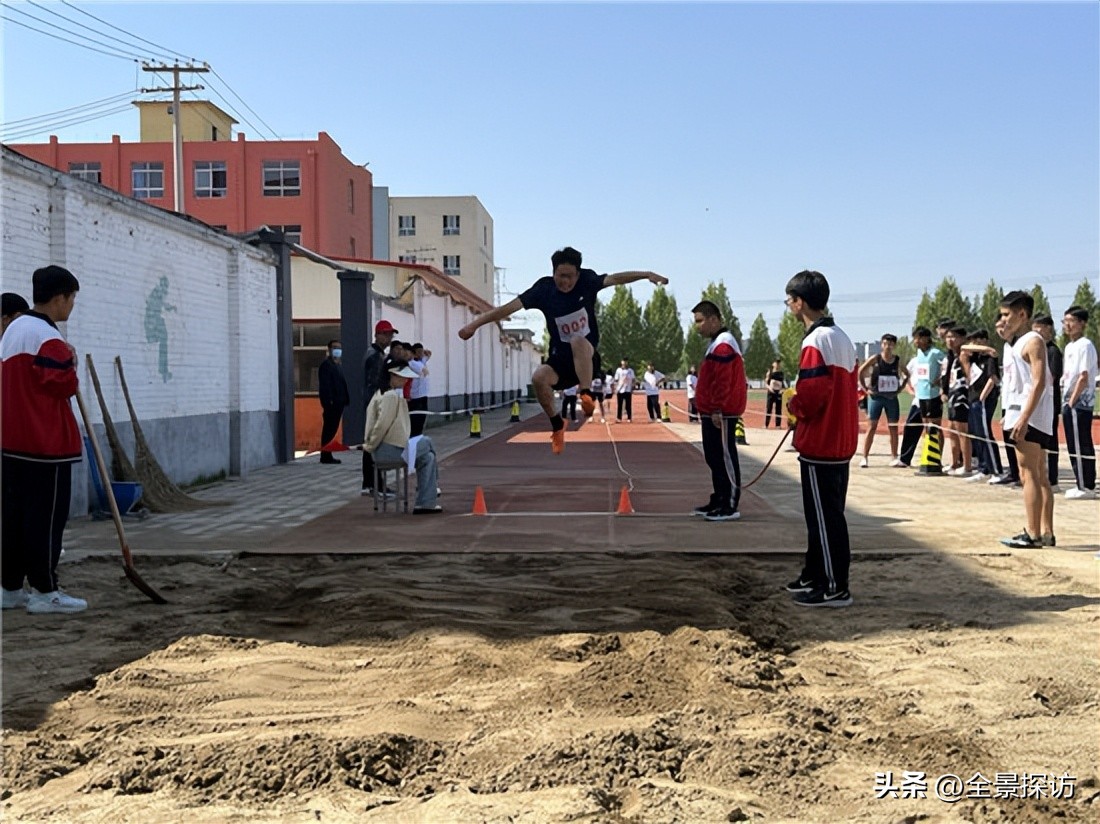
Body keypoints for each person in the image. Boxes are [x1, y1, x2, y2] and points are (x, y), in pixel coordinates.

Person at [458, 247, 667, 453]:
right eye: (560, 276)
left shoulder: (587, 280)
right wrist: (474, 325)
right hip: (560, 360)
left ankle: (586, 394)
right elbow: (507, 308)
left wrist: (646, 274)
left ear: (578, 274)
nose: (565, 282)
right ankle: (557, 425)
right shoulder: (543, 290)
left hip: (587, 358)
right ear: (553, 273)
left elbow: (616, 279)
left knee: (577, 340)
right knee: (539, 377)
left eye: (570, 277)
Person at [1, 265, 87, 614]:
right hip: (44, 443)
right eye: (72, 299)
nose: (71, 306)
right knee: (46, 518)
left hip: (11, 441)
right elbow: (60, 384)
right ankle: (44, 590)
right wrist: (71, 362)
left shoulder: (13, 330)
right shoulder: (47, 338)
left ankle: (9, 587)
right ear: (59, 298)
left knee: (13, 518)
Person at [782, 271, 857, 608]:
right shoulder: (842, 337)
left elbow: (812, 395)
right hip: (840, 441)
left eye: (789, 300)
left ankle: (835, 586)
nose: (788, 306)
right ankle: (814, 573)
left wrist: (793, 406)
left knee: (825, 518)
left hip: (822, 442)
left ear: (800, 302)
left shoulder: (815, 341)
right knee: (825, 515)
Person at [996, 291, 1055, 549]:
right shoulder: (1015, 344)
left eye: (1007, 315)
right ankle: (1046, 531)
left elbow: (1039, 381)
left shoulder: (1033, 340)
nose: (1003, 320)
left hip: (1028, 415)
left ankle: (1032, 533)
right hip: (1019, 412)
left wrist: (1024, 417)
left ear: (1022, 314)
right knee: (1039, 473)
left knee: (1028, 473)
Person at [691, 301, 747, 522]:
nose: (698, 326)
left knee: (724, 456)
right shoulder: (716, 344)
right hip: (712, 411)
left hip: (721, 413)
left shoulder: (724, 344)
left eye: (700, 321)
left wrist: (717, 408)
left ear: (713, 319)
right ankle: (720, 497)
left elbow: (723, 381)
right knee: (714, 457)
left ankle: (730, 503)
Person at [364, 361, 441, 514]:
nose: (406, 381)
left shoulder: (385, 393)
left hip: (392, 448)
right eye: (402, 377)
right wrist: (370, 446)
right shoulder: (390, 396)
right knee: (427, 442)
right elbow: (381, 425)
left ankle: (425, 504)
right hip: (389, 450)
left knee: (429, 458)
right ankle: (432, 490)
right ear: (392, 375)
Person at [1061, 305, 1097, 499]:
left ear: (1082, 324)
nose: (1067, 325)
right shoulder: (1069, 347)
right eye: (1065, 321)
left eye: (1071, 321)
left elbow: (1083, 376)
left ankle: (1086, 485)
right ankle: (1080, 482)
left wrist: (1072, 401)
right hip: (1069, 401)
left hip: (1079, 402)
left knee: (1081, 442)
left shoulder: (1085, 345)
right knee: (1073, 444)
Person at [959, 330, 1003, 483]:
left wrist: (983, 397)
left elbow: (993, 379)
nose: (973, 345)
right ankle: (983, 468)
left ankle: (996, 470)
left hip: (984, 400)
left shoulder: (989, 358)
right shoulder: (975, 358)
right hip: (973, 400)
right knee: (976, 434)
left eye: (976, 341)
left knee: (985, 434)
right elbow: (963, 348)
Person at [857, 335, 907, 467]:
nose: (888, 347)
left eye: (890, 344)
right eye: (885, 344)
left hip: (891, 398)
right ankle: (865, 457)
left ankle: (894, 456)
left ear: (894, 346)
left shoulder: (897, 360)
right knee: (872, 426)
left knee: (893, 427)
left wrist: (901, 387)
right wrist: (865, 388)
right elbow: (861, 371)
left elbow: (907, 374)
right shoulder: (876, 359)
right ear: (882, 345)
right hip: (876, 397)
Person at [361, 319, 398, 497]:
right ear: (378, 335)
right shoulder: (375, 356)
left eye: (391, 334)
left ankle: (372, 483)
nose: (390, 338)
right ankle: (374, 484)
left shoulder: (377, 354)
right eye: (387, 334)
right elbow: (376, 383)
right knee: (374, 444)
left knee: (372, 443)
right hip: (374, 405)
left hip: (372, 403)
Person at [1032, 315, 1063, 490]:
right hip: (1037, 403)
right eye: (1034, 327)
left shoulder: (1052, 351)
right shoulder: (1038, 351)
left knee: (1051, 442)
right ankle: (1040, 475)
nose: (1036, 331)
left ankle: (1053, 478)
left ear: (1048, 329)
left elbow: (1052, 376)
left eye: (1040, 327)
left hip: (1050, 403)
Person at [910, 327, 945, 472]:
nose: (916, 341)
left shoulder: (936, 353)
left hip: (933, 395)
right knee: (926, 426)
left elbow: (948, 366)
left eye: (918, 338)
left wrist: (941, 379)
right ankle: (928, 455)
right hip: (922, 395)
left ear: (925, 338)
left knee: (935, 427)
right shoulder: (918, 354)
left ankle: (938, 458)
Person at [942, 325, 973, 476]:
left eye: (953, 337)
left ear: (962, 339)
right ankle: (954, 463)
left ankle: (967, 466)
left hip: (962, 397)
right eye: (948, 337)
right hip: (952, 397)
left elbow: (969, 376)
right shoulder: (951, 356)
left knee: (962, 432)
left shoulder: (964, 355)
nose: (950, 340)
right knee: (952, 430)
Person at [317, 340, 350, 464]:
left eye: (339, 348)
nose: (337, 350)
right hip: (332, 403)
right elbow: (325, 386)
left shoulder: (338, 365)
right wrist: (328, 401)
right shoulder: (326, 365)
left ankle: (327, 453)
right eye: (335, 347)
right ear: (329, 349)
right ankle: (325, 455)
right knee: (329, 429)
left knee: (332, 429)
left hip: (339, 402)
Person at [408, 343, 432, 437]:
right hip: (415, 396)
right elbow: (424, 371)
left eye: (422, 352)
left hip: (423, 395)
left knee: (422, 417)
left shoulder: (421, 361)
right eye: (419, 352)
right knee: (416, 419)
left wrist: (425, 353)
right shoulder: (412, 363)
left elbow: (429, 353)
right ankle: (415, 435)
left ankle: (419, 435)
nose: (421, 354)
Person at [613, 359, 636, 423]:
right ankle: (619, 418)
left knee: (628, 405)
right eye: (623, 363)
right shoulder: (618, 370)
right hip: (620, 389)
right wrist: (615, 388)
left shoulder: (630, 371)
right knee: (619, 405)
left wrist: (632, 387)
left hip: (628, 389)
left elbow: (633, 379)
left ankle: (629, 418)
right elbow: (616, 379)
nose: (624, 364)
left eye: (625, 363)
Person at [765, 360, 785, 428]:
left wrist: (782, 390)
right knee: (769, 409)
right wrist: (769, 389)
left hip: (778, 393)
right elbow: (766, 383)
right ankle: (766, 425)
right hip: (771, 392)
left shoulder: (781, 373)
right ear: (773, 364)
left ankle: (778, 425)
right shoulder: (770, 373)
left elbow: (782, 384)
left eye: (779, 363)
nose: (778, 364)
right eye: (776, 363)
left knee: (778, 409)